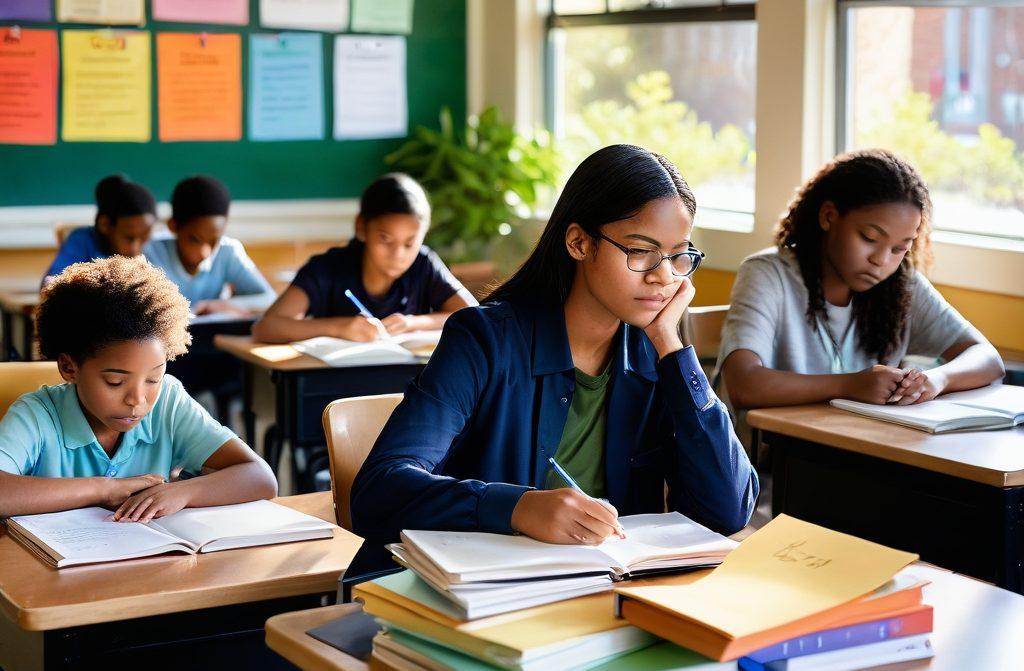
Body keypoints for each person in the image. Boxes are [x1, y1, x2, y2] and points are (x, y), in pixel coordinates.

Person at [349, 144, 758, 544]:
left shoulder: (657, 352)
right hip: (488, 595)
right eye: (640, 251)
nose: (663, 276)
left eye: (677, 255)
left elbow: (727, 510)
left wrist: (672, 347)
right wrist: (516, 507)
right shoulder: (483, 339)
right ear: (579, 242)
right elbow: (379, 491)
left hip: (605, 590)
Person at [0, 255, 277, 671]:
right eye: (115, 380)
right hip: (58, 612)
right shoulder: (37, 414)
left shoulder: (167, 402)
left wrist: (183, 494)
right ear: (69, 367)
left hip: (147, 597)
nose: (138, 398)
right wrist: (108, 488)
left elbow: (258, 477)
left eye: (153, 377)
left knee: (191, 650)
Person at [719, 149, 1004, 411]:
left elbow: (987, 359)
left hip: (860, 450)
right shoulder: (768, 275)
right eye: (869, 238)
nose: (881, 260)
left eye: (899, 248)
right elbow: (744, 385)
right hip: (774, 458)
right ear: (829, 216)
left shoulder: (901, 285)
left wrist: (935, 380)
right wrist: (850, 384)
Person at [254, 172, 475, 343]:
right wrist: (339, 328)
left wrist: (412, 323)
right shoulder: (328, 268)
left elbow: (473, 316)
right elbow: (267, 327)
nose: (399, 254)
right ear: (361, 227)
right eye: (385, 240)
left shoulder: (423, 264)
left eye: (409, 243)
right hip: (335, 389)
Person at [145, 175, 276, 315]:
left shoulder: (228, 251)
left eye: (214, 241)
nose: (205, 253)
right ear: (173, 226)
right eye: (195, 240)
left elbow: (270, 299)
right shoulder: (149, 253)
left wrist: (224, 305)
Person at [43, 174, 157, 282]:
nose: (135, 250)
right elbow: (52, 284)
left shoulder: (157, 247)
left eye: (144, 238)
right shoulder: (82, 241)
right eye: (129, 238)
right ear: (105, 225)